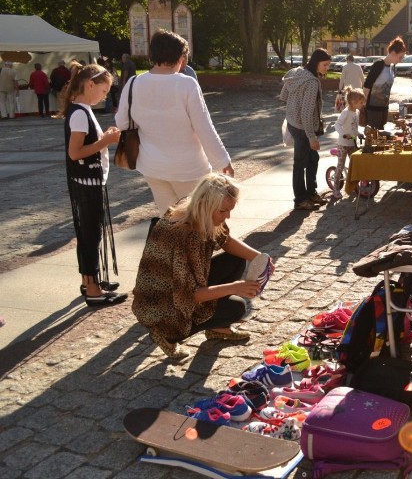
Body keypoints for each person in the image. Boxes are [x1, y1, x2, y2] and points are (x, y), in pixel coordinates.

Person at [131, 173, 273, 361]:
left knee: (236, 259)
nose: (227, 216)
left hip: (174, 290)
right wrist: (235, 287)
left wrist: (260, 258)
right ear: (206, 205)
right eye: (222, 211)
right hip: (163, 309)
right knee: (236, 308)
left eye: (230, 210)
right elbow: (189, 295)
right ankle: (168, 335)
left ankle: (214, 327)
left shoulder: (194, 212)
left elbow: (225, 240)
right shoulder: (186, 235)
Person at [116, 29, 233, 213]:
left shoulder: (133, 83)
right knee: (198, 221)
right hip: (189, 168)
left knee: (169, 219)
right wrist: (223, 161)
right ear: (180, 57)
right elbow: (204, 128)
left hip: (152, 165)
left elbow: (122, 122)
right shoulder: (186, 84)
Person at [60, 62, 127, 307]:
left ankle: (90, 280)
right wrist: (106, 141)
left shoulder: (82, 110)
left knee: (88, 235)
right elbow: (75, 152)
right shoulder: (79, 112)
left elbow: (86, 144)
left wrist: (103, 137)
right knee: (90, 236)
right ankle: (93, 290)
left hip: (89, 180)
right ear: (90, 85)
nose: (105, 96)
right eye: (103, 90)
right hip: (87, 183)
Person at [281, 48, 333, 211]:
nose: (327, 68)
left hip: (293, 122)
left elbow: (283, 95)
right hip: (302, 126)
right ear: (316, 63)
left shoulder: (296, 72)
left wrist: (293, 106)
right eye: (325, 65)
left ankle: (311, 193)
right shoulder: (311, 82)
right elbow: (306, 112)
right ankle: (300, 199)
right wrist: (312, 137)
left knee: (312, 159)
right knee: (301, 162)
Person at [363, 36, 406, 129]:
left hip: (384, 107)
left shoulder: (392, 67)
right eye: (400, 57)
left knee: (382, 135)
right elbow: (367, 86)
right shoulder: (378, 65)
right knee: (373, 136)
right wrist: (363, 105)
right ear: (393, 53)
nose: (400, 60)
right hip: (373, 108)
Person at [331, 86, 366, 200]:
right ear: (353, 102)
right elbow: (337, 124)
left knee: (355, 164)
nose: (362, 104)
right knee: (340, 166)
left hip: (352, 143)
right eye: (361, 102)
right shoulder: (346, 112)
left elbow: (354, 128)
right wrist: (343, 134)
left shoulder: (357, 112)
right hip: (343, 143)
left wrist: (358, 134)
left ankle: (354, 185)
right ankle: (335, 188)